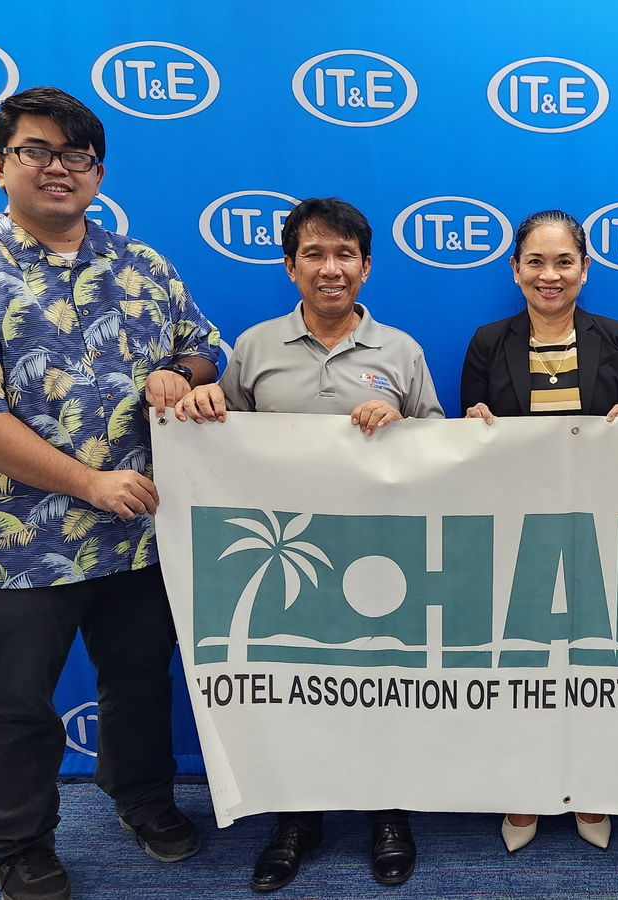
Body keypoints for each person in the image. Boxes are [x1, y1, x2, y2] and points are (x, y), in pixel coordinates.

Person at [0, 86, 220, 900]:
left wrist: (177, 371)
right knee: (13, 703)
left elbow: (204, 348)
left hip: (138, 535)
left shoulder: (142, 265)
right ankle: (19, 843)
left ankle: (143, 799)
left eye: (76, 155)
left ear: (97, 172)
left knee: (139, 682)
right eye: (37, 151)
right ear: (0, 164)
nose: (58, 169)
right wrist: (88, 483)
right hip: (13, 542)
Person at [172, 197, 443, 892]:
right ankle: (298, 817)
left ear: (366, 267)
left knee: (384, 681)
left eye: (345, 255)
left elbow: (442, 448)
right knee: (294, 686)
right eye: (314, 254)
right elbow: (220, 445)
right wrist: (202, 407)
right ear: (290, 266)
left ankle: (388, 811)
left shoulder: (401, 351)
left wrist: (401, 422)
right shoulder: (255, 348)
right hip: (283, 559)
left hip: (382, 555)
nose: (331, 268)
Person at [459, 209, 618, 853]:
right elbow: (465, 442)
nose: (550, 275)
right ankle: (525, 787)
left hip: (599, 530)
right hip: (516, 532)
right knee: (522, 663)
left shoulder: (615, 336)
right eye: (535, 262)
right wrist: (473, 426)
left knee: (594, 660)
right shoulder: (489, 341)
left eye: (564, 261)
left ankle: (590, 785)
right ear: (515, 270)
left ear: (584, 269)